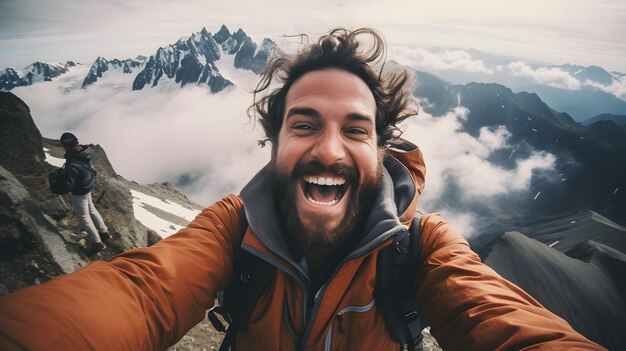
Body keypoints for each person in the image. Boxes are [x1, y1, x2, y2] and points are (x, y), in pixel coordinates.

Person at [0, 29, 604, 350]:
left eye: (356, 130)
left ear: (380, 151)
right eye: (304, 124)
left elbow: (501, 318)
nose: (329, 149)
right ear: (276, 145)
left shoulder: (423, 245)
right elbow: (143, 292)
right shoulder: (231, 227)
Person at [59, 132, 110, 255]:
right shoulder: (85, 151)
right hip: (88, 186)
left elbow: (69, 184)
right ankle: (104, 233)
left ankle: (97, 243)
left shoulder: (72, 164)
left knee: (84, 218)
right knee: (91, 210)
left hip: (80, 191)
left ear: (66, 146)